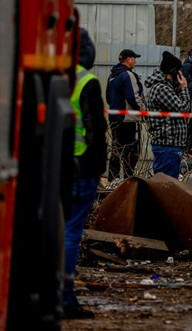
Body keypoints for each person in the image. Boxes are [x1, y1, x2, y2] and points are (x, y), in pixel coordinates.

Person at [63, 29, 108, 319]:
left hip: (53, 167)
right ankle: (65, 298)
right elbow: (96, 132)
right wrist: (98, 168)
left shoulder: (47, 72)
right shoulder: (86, 81)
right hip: (80, 167)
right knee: (70, 234)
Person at [144, 51, 190, 179]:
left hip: (171, 147)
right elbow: (183, 109)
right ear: (174, 72)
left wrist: (179, 89)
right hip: (167, 146)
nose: (182, 75)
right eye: (180, 71)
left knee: (167, 186)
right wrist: (184, 88)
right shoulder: (162, 89)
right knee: (165, 187)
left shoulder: (168, 88)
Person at [106, 48, 144, 180]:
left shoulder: (112, 76)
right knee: (132, 153)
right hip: (128, 120)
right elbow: (134, 97)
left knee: (116, 152)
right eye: (134, 58)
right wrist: (142, 111)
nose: (135, 62)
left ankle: (113, 181)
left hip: (115, 119)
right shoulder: (128, 75)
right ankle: (129, 180)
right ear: (128, 59)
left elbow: (107, 98)